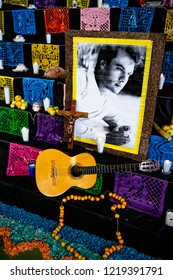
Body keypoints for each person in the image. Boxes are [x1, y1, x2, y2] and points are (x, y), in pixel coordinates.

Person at [74, 43, 146, 148]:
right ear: (103, 64)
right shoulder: (80, 79)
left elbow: (111, 115)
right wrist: (102, 137)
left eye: (128, 74)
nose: (123, 79)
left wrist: (121, 126)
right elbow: (68, 122)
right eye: (120, 69)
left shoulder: (108, 94)